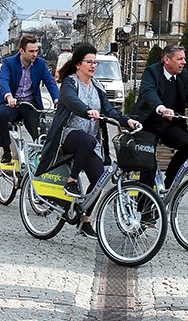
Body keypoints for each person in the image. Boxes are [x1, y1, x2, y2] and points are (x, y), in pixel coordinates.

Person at [35, 44, 139, 238]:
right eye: (89, 62)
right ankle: (71, 181)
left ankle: (85, 221)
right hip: (68, 134)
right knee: (88, 141)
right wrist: (85, 110)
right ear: (78, 64)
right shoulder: (70, 83)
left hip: (90, 140)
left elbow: (109, 110)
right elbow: (71, 100)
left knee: (99, 179)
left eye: (95, 62)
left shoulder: (98, 86)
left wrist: (127, 121)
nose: (93, 66)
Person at [133, 44, 188, 190]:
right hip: (148, 125)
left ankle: (169, 181)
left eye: (184, 58)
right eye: (180, 59)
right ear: (166, 60)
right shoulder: (152, 72)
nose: (184, 62)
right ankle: (145, 206)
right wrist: (161, 108)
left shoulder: (183, 75)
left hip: (169, 125)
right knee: (148, 165)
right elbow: (149, 92)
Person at [0, 34, 59, 164]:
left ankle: (41, 157)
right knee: (2, 115)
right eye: (31, 51)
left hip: (30, 104)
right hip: (12, 103)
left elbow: (50, 83)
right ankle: (6, 150)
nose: (34, 54)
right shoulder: (9, 63)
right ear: (22, 51)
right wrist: (9, 96)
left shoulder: (40, 64)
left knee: (40, 131)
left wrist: (57, 100)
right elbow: (3, 80)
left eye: (36, 51)